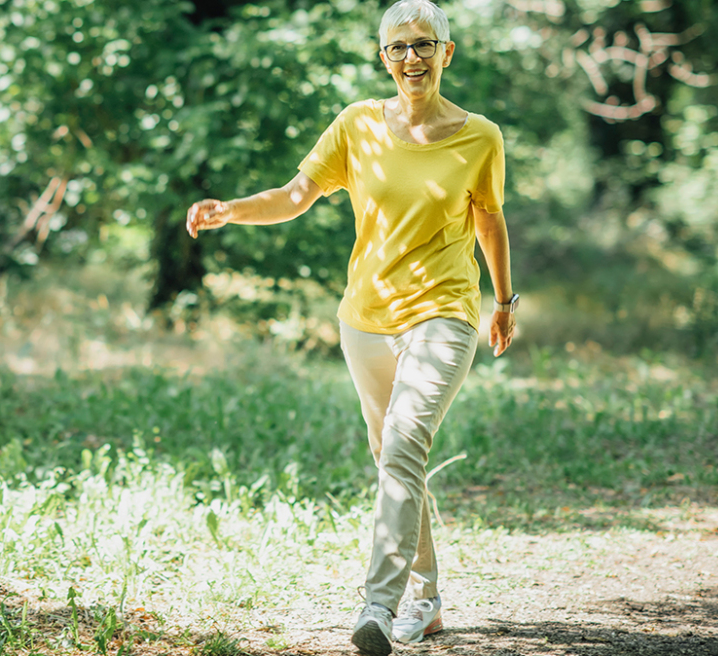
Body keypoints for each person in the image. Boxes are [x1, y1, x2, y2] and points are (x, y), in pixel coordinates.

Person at [185, 1, 516, 654]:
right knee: (395, 457)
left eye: (424, 44)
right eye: (398, 47)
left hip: (444, 313)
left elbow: (489, 220)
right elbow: (295, 195)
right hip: (364, 321)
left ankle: (379, 607)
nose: (411, 57)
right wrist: (232, 211)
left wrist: (504, 301)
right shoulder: (356, 125)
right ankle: (426, 600)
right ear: (383, 57)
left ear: (447, 53)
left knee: (404, 443)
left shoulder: (481, 137)